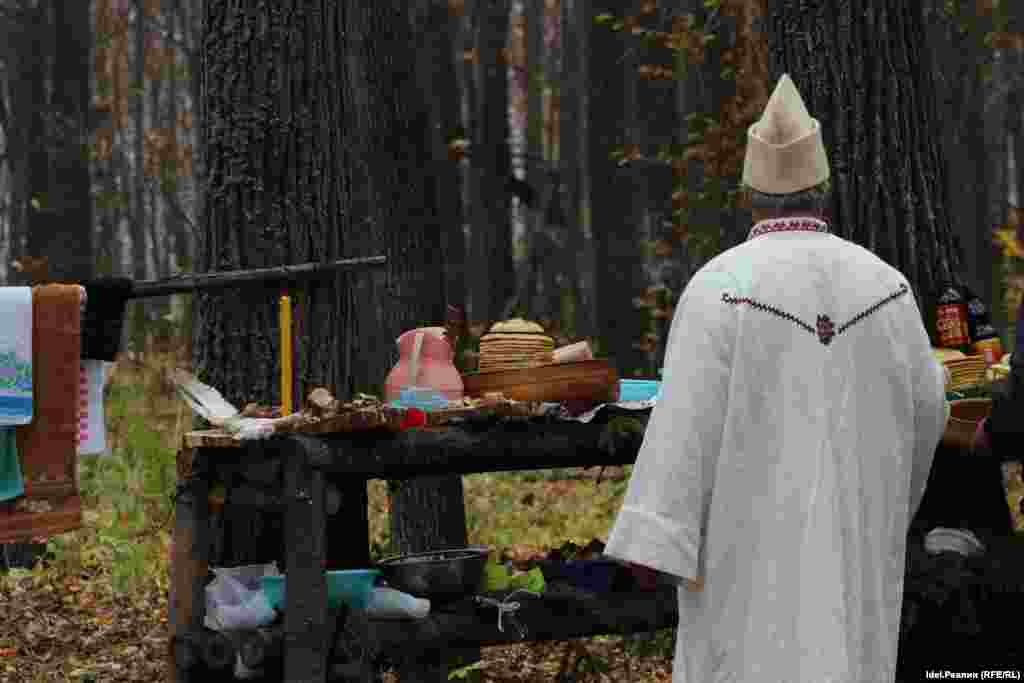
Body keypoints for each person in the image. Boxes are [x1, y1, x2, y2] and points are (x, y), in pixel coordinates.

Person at [603, 74, 949, 682]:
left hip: (745, 575)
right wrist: (877, 506)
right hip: (852, 563)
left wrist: (655, 541)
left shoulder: (719, 288)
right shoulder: (887, 289)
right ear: (824, 192)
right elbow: (928, 413)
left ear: (748, 194)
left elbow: (683, 434)